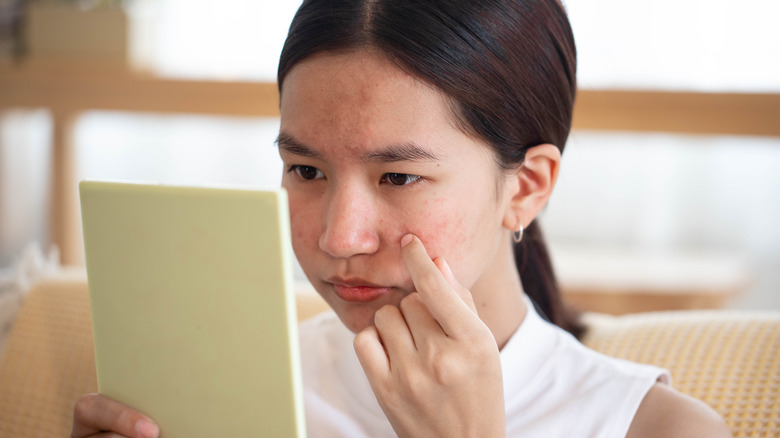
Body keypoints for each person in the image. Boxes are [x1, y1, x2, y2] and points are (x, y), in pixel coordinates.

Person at [71, 0, 732, 437]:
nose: (338, 238)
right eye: (306, 171)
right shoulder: (224, 395)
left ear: (526, 188)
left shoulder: (655, 429)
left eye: (399, 177)